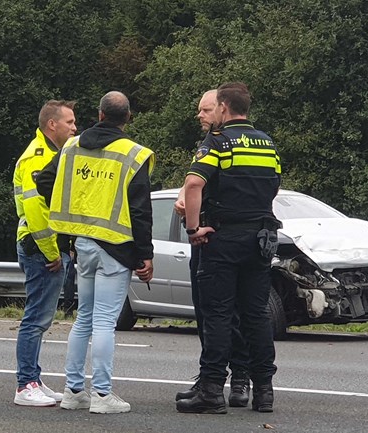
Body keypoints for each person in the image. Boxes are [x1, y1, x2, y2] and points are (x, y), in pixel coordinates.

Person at [37, 91, 155, 414]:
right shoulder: (134, 154)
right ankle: (102, 395)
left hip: (82, 246)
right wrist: (145, 254)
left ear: (100, 115)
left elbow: (44, 181)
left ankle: (74, 390)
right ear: (127, 118)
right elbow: (141, 211)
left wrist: (74, 205)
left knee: (84, 318)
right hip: (116, 249)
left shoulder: (72, 147)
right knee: (104, 321)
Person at [176, 82, 281, 414]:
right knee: (256, 314)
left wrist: (194, 229)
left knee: (218, 314)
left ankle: (210, 390)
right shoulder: (268, 144)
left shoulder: (218, 142)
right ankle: (263, 390)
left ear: (223, 107)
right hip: (261, 238)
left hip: (224, 238)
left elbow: (194, 183)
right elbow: (274, 184)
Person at [174, 89, 251, 407]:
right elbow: (191, 183)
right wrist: (184, 200)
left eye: (205, 110)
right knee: (207, 314)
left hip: (222, 238)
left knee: (231, 315)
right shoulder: (206, 146)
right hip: (204, 241)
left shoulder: (230, 145)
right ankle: (209, 379)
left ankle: (240, 377)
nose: (200, 115)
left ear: (221, 109)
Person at [12, 100, 77, 406]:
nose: (74, 127)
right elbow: (37, 208)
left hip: (43, 246)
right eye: (70, 122)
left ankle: (33, 378)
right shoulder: (38, 158)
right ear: (52, 124)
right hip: (40, 247)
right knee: (35, 319)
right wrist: (52, 251)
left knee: (40, 319)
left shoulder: (52, 154)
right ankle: (25, 385)